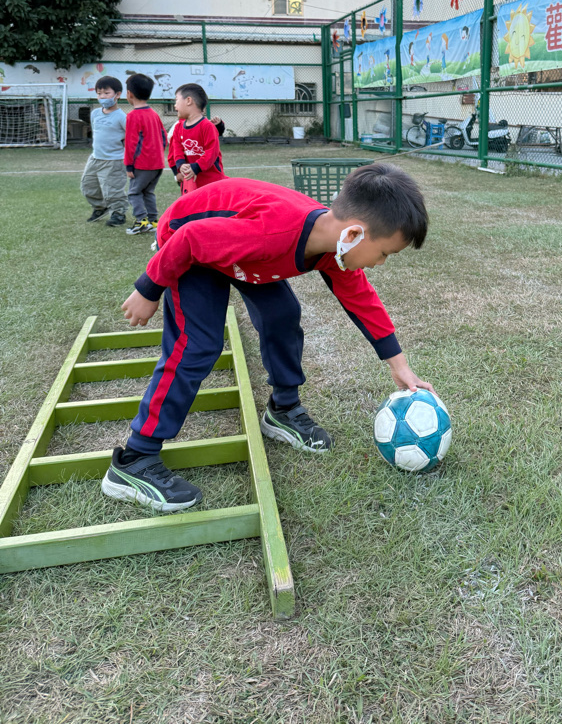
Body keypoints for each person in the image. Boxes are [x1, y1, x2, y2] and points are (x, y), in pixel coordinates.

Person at [101, 164, 432, 512]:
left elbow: (361, 299)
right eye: (384, 253)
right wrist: (149, 288)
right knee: (198, 346)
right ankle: (135, 459)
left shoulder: (334, 245)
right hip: (189, 245)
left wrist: (399, 364)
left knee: (282, 314)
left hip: (236, 246)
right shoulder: (272, 232)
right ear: (353, 234)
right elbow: (190, 239)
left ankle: (283, 410)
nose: (381, 263)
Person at [80, 76, 128, 228]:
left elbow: (131, 138)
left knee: (113, 190)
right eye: (99, 93)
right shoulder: (95, 113)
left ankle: (118, 213)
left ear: (117, 95)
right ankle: (100, 208)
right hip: (95, 158)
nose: (102, 97)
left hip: (114, 160)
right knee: (88, 186)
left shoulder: (122, 117)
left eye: (106, 93)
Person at [123, 73, 168, 235]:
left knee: (134, 192)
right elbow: (164, 137)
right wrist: (157, 155)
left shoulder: (133, 116)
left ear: (129, 94)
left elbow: (131, 143)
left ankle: (141, 221)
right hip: (157, 163)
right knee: (148, 192)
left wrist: (129, 165)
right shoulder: (154, 114)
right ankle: (153, 221)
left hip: (142, 164)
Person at [167, 83, 225, 190]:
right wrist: (180, 165)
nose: (175, 106)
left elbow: (211, 152)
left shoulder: (207, 126)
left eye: (176, 100)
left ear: (188, 101)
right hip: (191, 182)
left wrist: (196, 167)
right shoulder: (178, 128)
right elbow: (177, 150)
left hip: (212, 183)